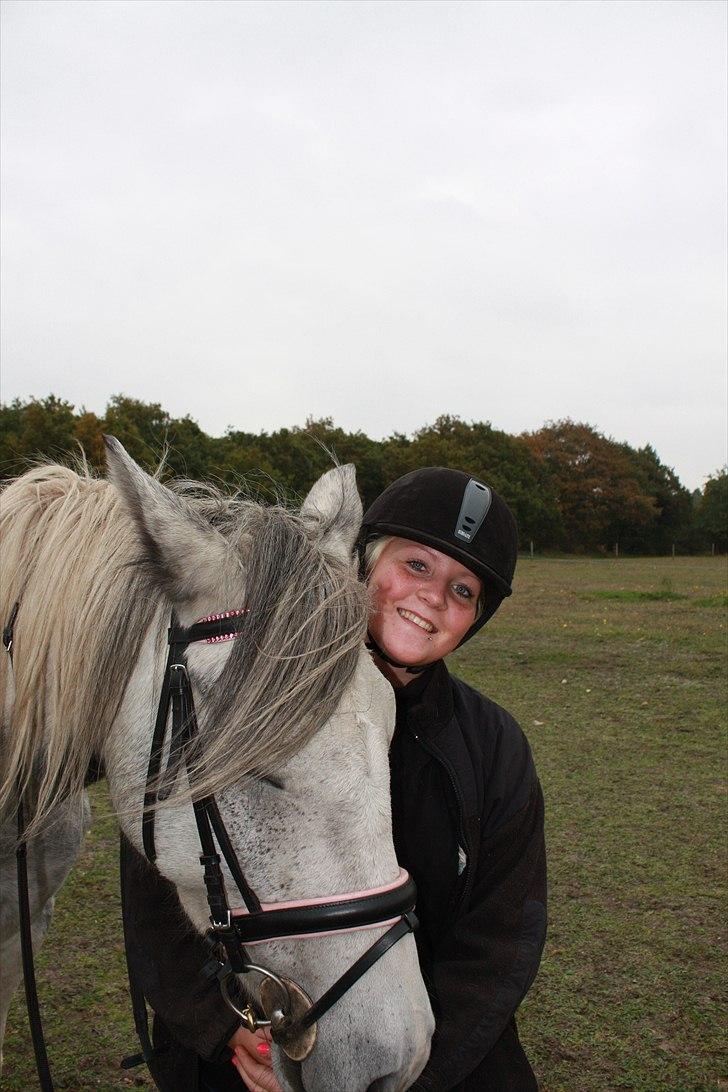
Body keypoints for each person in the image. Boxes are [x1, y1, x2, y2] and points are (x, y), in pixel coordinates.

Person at [121, 467, 547, 1092]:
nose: (433, 596)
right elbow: (160, 888)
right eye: (417, 566)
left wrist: (414, 1076)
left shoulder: (496, 747)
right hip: (249, 1055)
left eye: (463, 590)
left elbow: (501, 940)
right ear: (364, 565)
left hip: (423, 1057)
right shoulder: (249, 696)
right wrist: (222, 1027)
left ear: (475, 618)